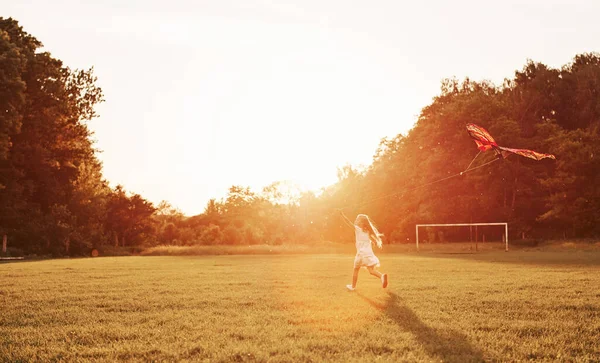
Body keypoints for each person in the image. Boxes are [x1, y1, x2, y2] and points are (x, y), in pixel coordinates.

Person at [339, 211, 388, 291]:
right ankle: (382, 276)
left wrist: (342, 215)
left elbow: (348, 222)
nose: (355, 220)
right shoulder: (368, 231)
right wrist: (374, 241)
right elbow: (372, 240)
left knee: (356, 269)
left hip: (361, 254)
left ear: (361, 223)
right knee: (371, 271)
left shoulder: (357, 229)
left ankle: (353, 287)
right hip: (368, 254)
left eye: (357, 219)